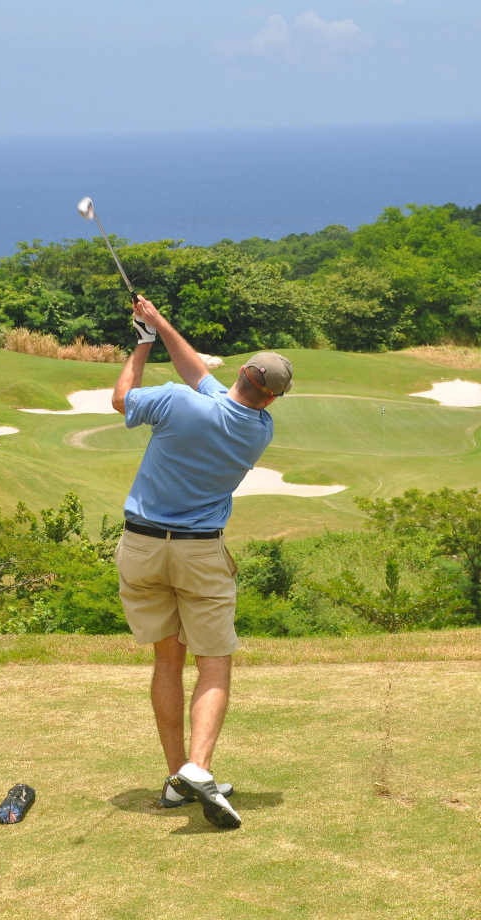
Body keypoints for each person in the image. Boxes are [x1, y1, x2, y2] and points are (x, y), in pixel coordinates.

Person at [111, 294, 293, 830]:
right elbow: (201, 379)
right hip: (199, 554)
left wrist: (143, 343)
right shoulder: (258, 430)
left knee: (167, 660)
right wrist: (161, 324)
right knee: (213, 660)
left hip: (142, 547)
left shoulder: (174, 402)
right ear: (273, 397)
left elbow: (123, 398)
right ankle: (199, 768)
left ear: (240, 371)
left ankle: (177, 778)